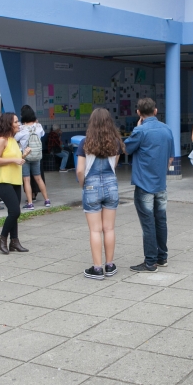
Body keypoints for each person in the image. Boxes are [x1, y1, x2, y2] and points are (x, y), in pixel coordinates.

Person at [125, 97, 174, 273]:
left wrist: (137, 127)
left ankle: (150, 262)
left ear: (138, 112)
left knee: (148, 224)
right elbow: (171, 157)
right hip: (161, 184)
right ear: (155, 111)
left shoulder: (140, 131)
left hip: (144, 184)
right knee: (161, 221)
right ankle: (162, 257)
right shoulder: (167, 129)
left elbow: (126, 149)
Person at [76, 108, 125, 279]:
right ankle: (110, 265)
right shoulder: (116, 143)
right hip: (111, 185)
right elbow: (114, 165)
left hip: (91, 185)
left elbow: (80, 170)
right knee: (109, 228)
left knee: (95, 230)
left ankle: (97, 269)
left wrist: (83, 185)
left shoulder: (85, 143)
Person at [0, 112, 29, 254]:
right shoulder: (2, 140)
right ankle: (2, 238)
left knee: (14, 212)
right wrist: (14, 159)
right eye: (15, 122)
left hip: (15, 180)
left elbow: (15, 159)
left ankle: (14, 241)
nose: (18, 124)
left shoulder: (13, 139)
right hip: (4, 180)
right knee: (15, 211)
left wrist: (24, 155)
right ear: (8, 124)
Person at [15, 105, 50, 210]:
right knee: (38, 178)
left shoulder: (22, 129)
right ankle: (47, 200)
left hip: (25, 156)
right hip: (37, 155)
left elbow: (15, 138)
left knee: (26, 180)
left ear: (23, 116)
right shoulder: (38, 127)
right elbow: (42, 134)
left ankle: (30, 203)